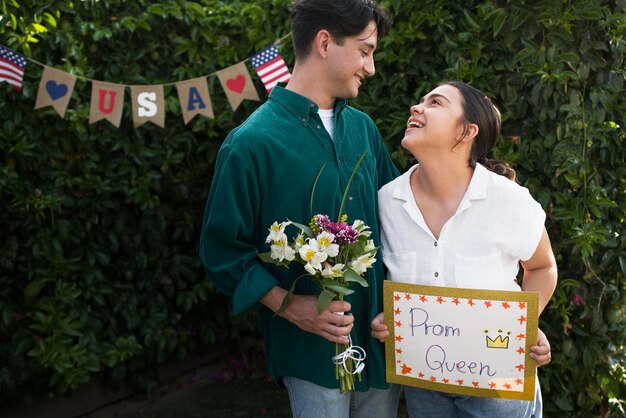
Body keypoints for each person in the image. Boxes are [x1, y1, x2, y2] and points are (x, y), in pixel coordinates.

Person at [199, 0, 401, 417]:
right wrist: (293, 308)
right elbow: (222, 252)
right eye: (365, 51)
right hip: (311, 355)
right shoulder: (250, 144)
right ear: (325, 42)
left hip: (380, 343)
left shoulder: (363, 129)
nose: (371, 67)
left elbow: (400, 220)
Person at [370, 81, 558, 417]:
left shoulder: (510, 201)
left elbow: (543, 268)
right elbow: (393, 284)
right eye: (420, 100)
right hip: (423, 384)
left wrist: (526, 324)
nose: (416, 107)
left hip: (498, 387)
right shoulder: (387, 201)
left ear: (466, 131)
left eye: (435, 102)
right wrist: (389, 317)